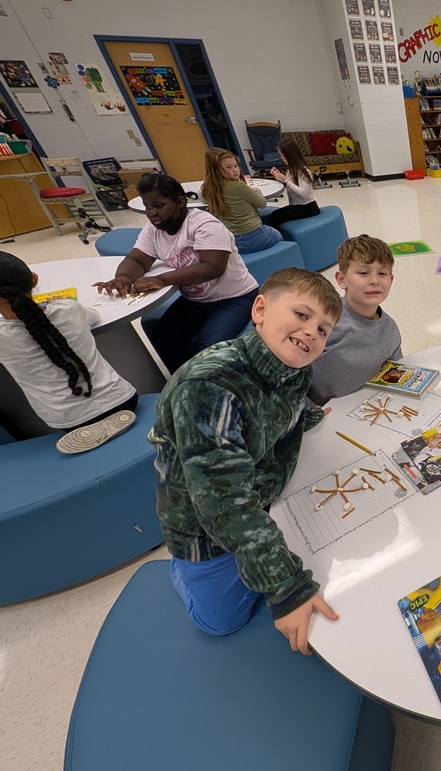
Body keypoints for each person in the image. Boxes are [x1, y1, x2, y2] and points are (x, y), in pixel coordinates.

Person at [149, 267, 343, 654]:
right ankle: (180, 571)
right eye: (302, 315)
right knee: (222, 623)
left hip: (259, 498)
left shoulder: (293, 367)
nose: (311, 333)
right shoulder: (210, 386)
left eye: (323, 329)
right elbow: (223, 505)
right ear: (259, 309)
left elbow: (276, 412)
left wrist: (308, 417)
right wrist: (287, 588)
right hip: (204, 529)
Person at [94, 173, 260, 374]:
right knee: (162, 337)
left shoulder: (204, 224)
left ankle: (210, 384)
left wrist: (161, 279)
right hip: (195, 300)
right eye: (147, 207)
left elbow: (213, 267)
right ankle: (185, 382)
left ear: (180, 202)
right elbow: (138, 259)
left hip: (235, 297)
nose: (152, 213)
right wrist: (123, 277)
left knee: (208, 346)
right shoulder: (154, 229)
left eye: (159, 206)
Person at [0, 252, 137, 442]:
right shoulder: (69, 309)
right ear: (34, 279)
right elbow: (94, 316)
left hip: (72, 422)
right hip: (123, 400)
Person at [307, 234, 402, 406]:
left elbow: (397, 373)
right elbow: (289, 373)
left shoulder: (391, 329)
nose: (374, 281)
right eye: (363, 273)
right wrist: (310, 413)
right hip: (320, 415)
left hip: (371, 409)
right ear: (342, 280)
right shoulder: (325, 323)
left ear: (391, 280)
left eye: (382, 273)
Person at [201, 147, 283, 254]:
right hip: (255, 236)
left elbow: (203, 199)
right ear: (217, 170)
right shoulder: (238, 186)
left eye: (236, 166)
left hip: (234, 241)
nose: (235, 170)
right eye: (228, 167)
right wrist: (257, 191)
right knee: (278, 234)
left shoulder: (208, 188)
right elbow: (262, 204)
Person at [267, 136, 320, 229]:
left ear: (288, 155)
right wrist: (279, 177)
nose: (281, 157)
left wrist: (286, 180)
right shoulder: (290, 169)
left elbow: (303, 193)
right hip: (296, 205)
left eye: (282, 155)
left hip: (308, 207)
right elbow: (291, 187)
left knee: (277, 218)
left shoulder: (304, 171)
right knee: (274, 215)